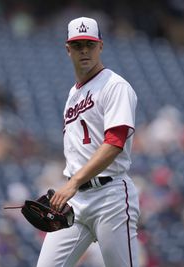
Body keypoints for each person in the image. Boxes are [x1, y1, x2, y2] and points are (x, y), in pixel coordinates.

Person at [37, 17, 140, 267]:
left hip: (111, 197)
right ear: (68, 49)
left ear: (101, 46)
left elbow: (114, 143)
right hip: (77, 202)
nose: (84, 50)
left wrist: (73, 182)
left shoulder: (115, 86)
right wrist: (69, 185)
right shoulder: (73, 95)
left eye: (90, 44)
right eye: (78, 44)